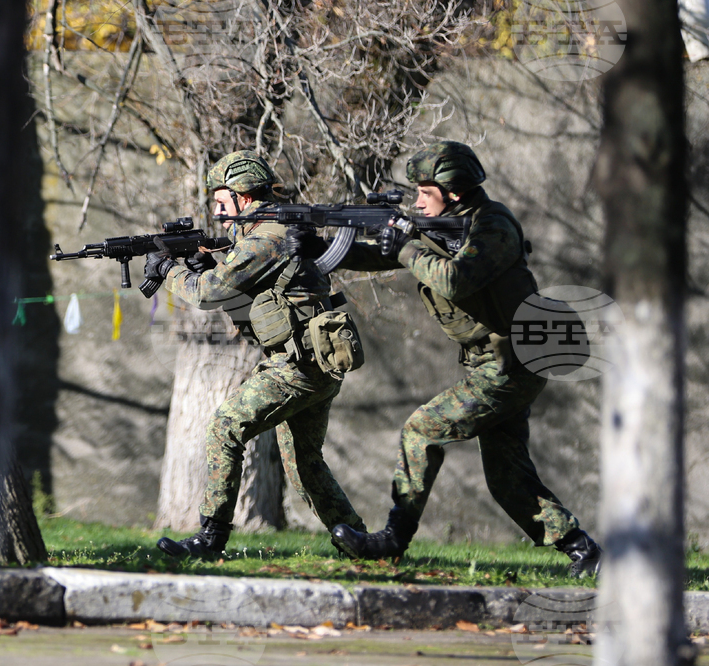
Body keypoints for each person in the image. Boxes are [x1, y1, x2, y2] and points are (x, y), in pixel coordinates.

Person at [294, 141, 601, 576]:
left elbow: (455, 280)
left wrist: (404, 245)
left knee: (422, 430)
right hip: (495, 364)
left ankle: (393, 539)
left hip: (512, 363)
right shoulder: (443, 224)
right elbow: (385, 254)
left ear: (453, 191)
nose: (417, 200)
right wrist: (323, 248)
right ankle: (584, 552)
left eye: (424, 190)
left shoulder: (492, 226)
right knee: (507, 478)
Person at [147, 150, 366, 558]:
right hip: (311, 361)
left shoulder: (267, 237)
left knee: (225, 426)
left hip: (297, 365)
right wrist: (200, 261)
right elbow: (238, 279)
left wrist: (168, 271)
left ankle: (210, 539)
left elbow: (210, 292)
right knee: (304, 465)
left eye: (220, 198)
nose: (215, 208)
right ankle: (358, 541)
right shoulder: (264, 233)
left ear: (242, 196)